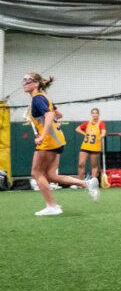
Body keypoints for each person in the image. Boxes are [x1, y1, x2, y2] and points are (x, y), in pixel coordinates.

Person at [23, 72, 98, 215]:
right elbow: (58, 114)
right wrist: (39, 121)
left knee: (36, 172)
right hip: (57, 139)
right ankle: (86, 183)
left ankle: (52, 206)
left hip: (48, 141)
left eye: (28, 80)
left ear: (36, 84)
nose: (25, 82)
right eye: (24, 80)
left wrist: (42, 135)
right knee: (51, 175)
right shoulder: (44, 98)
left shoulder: (37, 99)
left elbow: (50, 115)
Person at [75, 108, 106, 181]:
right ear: (91, 114)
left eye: (96, 113)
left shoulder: (101, 123)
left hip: (95, 147)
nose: (95, 115)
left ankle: (93, 182)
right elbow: (77, 129)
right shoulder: (87, 123)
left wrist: (101, 135)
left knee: (94, 165)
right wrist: (84, 133)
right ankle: (80, 181)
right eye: (93, 113)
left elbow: (103, 132)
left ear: (98, 114)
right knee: (81, 164)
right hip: (85, 146)